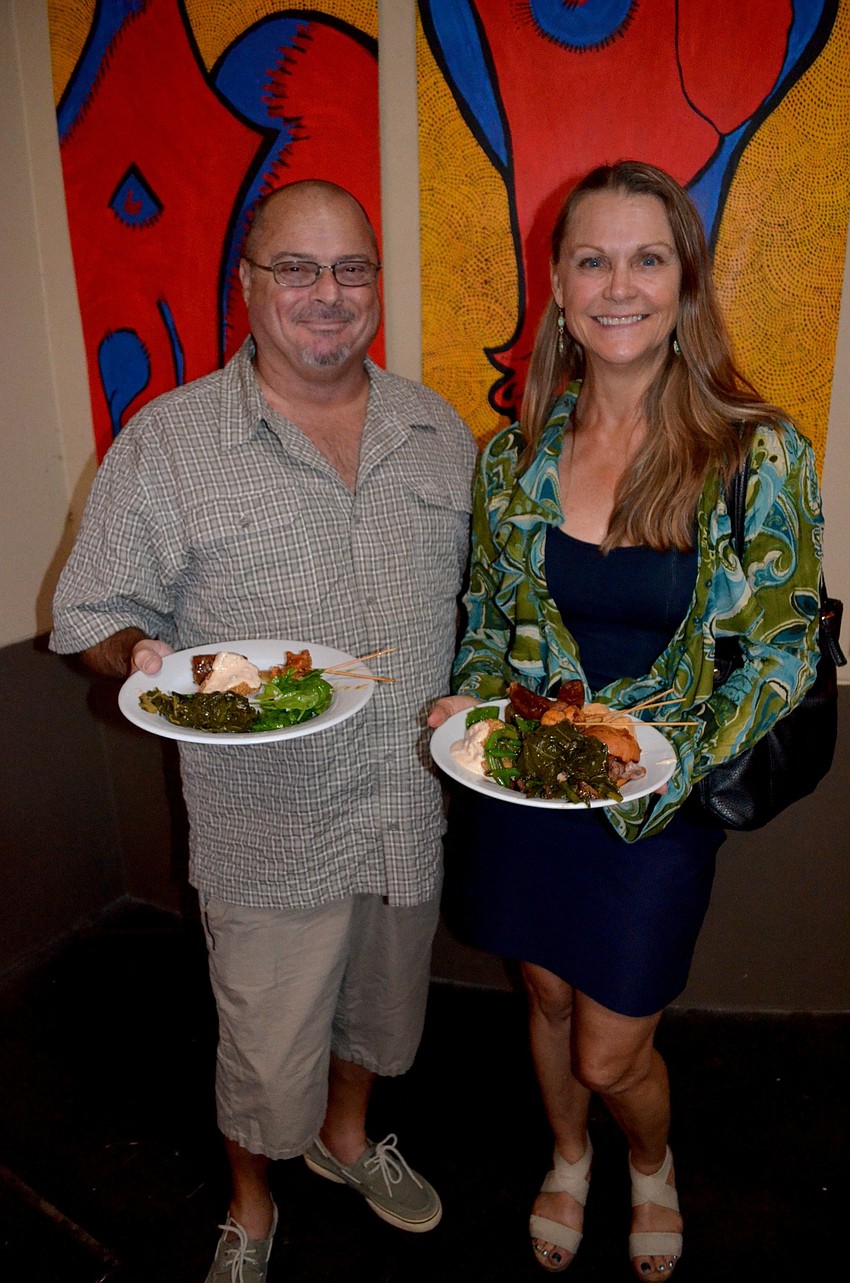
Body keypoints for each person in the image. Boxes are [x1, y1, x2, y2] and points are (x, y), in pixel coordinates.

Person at [50, 180, 477, 1282]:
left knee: (380, 1016)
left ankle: (348, 1138)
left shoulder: (437, 431)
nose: (327, 293)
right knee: (262, 1048)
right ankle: (249, 1202)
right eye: (297, 267)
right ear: (248, 284)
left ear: (375, 282)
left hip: (402, 808)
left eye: (350, 268)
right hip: (267, 827)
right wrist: (135, 654)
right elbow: (88, 612)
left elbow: (480, 603)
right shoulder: (170, 441)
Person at [428, 160, 823, 1279]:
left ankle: (649, 1160)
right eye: (592, 260)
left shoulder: (755, 451)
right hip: (522, 784)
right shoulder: (512, 456)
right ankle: (569, 1155)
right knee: (546, 991)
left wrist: (664, 756)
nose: (618, 285)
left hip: (661, 799)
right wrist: (472, 699)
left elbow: (788, 648)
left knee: (610, 1049)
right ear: (557, 286)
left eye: (647, 259)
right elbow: (488, 617)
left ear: (685, 282)